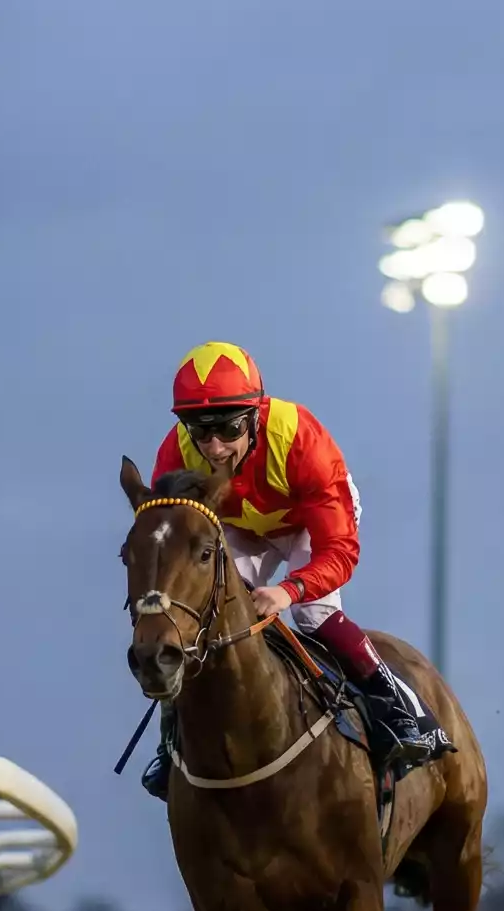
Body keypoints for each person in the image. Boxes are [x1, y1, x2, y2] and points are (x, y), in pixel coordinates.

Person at [138, 341, 450, 798]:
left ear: (254, 415)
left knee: (312, 616)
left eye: (227, 428)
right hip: (240, 525)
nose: (214, 447)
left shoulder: (301, 439)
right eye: (199, 430)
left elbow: (339, 551)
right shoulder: (176, 452)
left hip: (311, 522)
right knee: (203, 618)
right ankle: (173, 741)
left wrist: (290, 589)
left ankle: (400, 707)